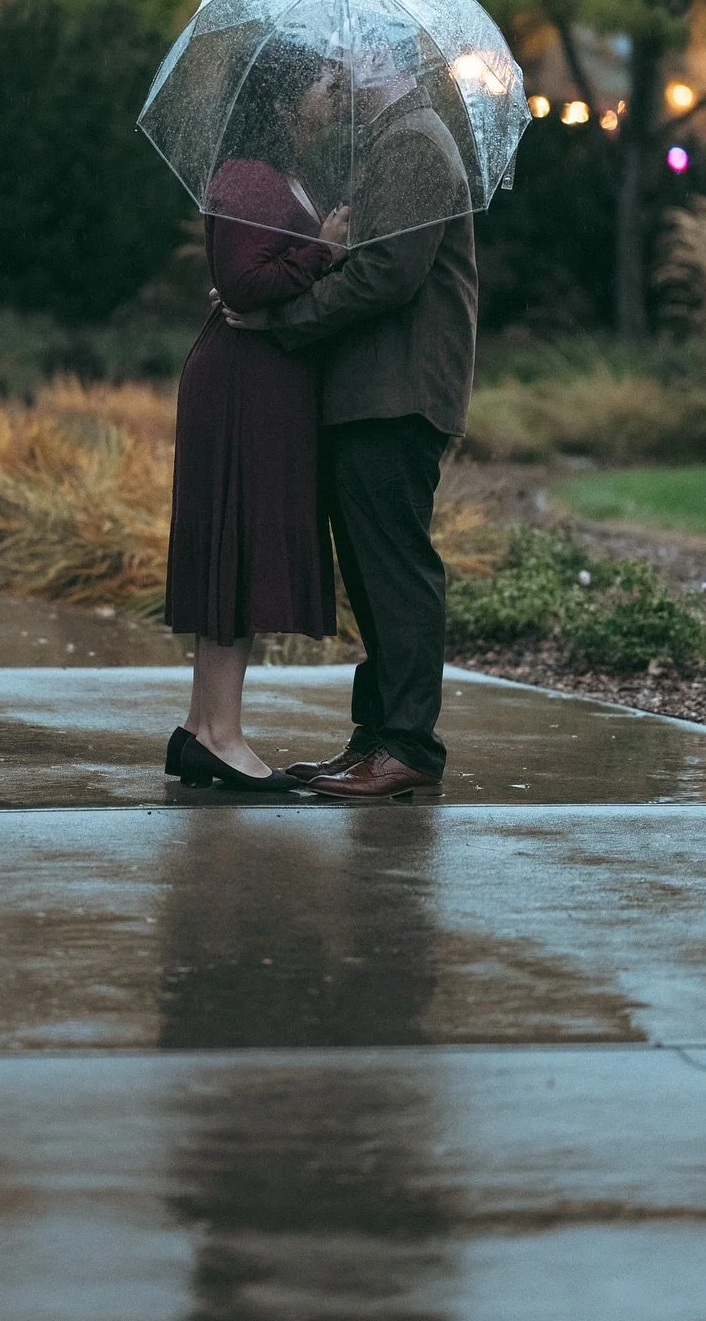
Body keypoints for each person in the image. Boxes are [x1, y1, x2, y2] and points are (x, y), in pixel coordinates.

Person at [220, 83, 478, 802]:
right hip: (370, 393)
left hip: (397, 393)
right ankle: (375, 738)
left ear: (381, 59)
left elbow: (386, 276)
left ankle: (409, 745)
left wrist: (279, 319)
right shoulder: (392, 142)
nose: (335, 79)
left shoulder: (414, 143)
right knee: (371, 573)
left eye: (347, 61)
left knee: (395, 570)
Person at [164, 49, 349, 793]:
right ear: (282, 99)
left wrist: (310, 252)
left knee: (232, 551)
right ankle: (220, 734)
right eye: (324, 85)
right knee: (232, 552)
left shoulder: (280, 177)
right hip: (240, 384)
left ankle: (202, 729)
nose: (334, 98)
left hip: (260, 382)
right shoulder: (248, 174)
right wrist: (323, 252)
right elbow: (242, 281)